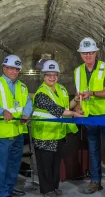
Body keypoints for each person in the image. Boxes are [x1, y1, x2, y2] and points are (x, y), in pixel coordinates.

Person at [74, 37, 105, 197]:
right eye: (84, 53)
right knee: (93, 150)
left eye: (91, 52)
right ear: (81, 54)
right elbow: (80, 94)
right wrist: (79, 109)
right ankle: (95, 182)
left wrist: (92, 93)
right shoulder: (78, 71)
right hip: (89, 116)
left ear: (96, 53)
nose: (88, 56)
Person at [31, 60, 83, 197]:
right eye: (49, 75)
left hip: (58, 134)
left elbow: (66, 107)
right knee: (45, 165)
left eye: (55, 75)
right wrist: (74, 114)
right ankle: (47, 190)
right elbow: (57, 110)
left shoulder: (62, 89)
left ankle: (54, 187)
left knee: (55, 164)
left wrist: (76, 100)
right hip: (44, 134)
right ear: (44, 76)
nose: (52, 78)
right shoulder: (41, 93)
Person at [0, 55, 33, 197]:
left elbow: (28, 103)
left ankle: (10, 188)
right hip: (1, 133)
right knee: (0, 165)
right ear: (4, 68)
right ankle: (1, 192)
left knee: (14, 164)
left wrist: (26, 114)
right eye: (11, 68)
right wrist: (3, 111)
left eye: (17, 69)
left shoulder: (22, 86)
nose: (14, 71)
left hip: (18, 131)